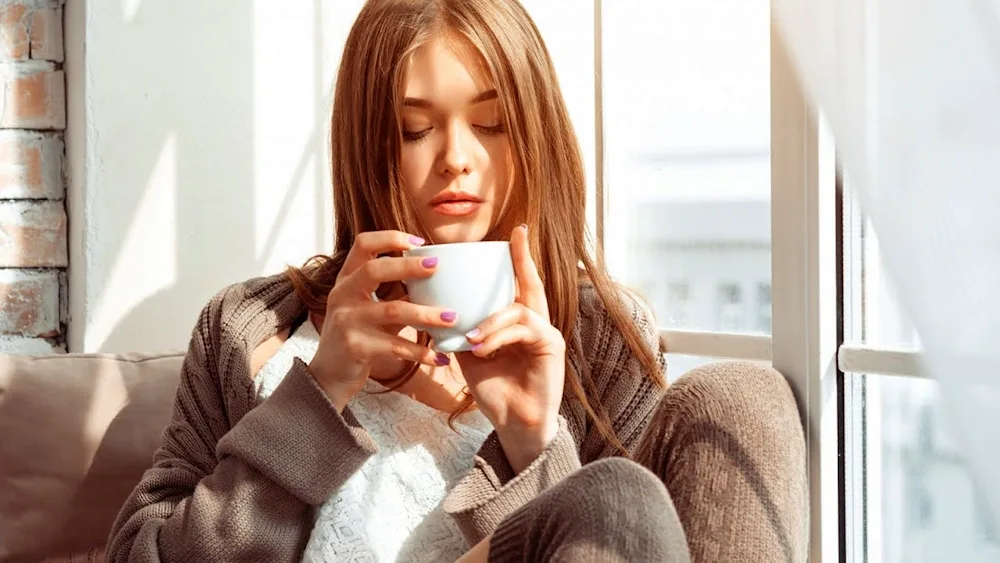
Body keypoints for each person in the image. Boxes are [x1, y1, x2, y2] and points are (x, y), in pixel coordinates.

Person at [107, 0, 807, 561]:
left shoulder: (596, 342)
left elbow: (635, 537)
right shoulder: (253, 330)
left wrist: (535, 438)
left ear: (533, 134)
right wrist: (317, 395)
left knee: (742, 398)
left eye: (492, 123)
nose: (457, 160)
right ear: (367, 144)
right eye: (415, 130)